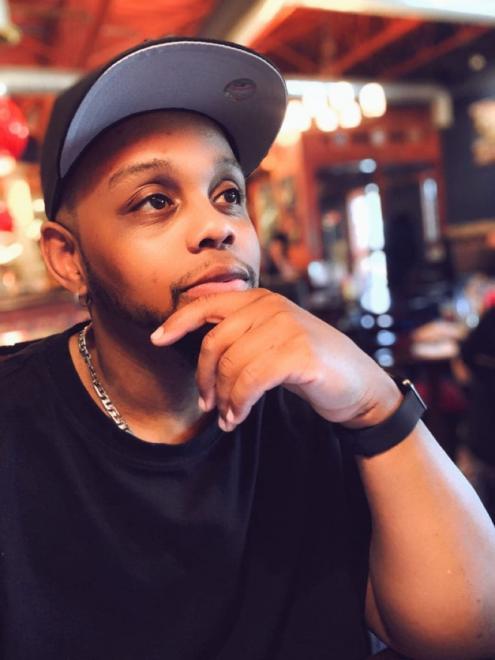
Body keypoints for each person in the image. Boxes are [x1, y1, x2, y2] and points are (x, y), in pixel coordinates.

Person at [0, 37, 494, 660]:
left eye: (228, 194)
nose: (219, 226)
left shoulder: (312, 404)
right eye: (155, 200)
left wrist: (375, 405)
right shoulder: (16, 425)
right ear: (69, 259)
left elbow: (469, 634)